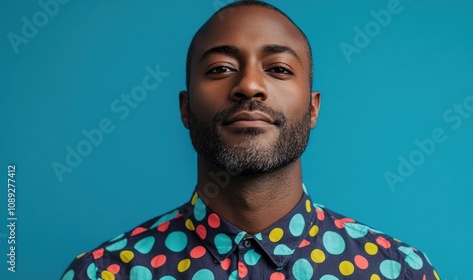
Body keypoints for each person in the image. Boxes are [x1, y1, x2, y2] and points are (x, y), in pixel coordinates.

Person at [61, 1, 440, 279]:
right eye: (221, 69)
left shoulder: (398, 272)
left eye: (278, 69)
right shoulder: (103, 273)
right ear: (186, 108)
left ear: (312, 109)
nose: (249, 86)